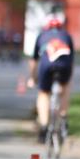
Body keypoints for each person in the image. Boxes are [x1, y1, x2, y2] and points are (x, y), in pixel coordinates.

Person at [27, 9, 74, 144]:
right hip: (64, 66)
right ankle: (63, 118)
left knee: (43, 94)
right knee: (65, 88)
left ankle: (43, 127)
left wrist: (32, 78)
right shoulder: (66, 35)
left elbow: (34, 61)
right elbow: (71, 60)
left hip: (46, 66)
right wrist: (67, 80)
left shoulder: (42, 36)